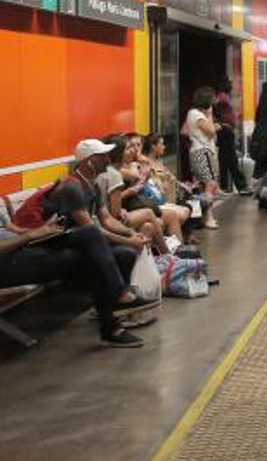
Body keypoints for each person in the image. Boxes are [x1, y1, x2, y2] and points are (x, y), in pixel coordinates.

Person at [1, 183, 158, 347]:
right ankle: (113, 320)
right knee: (93, 256)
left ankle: (119, 297)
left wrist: (41, 230)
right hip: (8, 262)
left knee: (96, 237)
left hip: (25, 248)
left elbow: (9, 229)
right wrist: (29, 235)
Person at [184, 87, 224, 227]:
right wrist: (210, 115)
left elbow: (184, 130)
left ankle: (197, 218)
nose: (215, 101)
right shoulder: (197, 114)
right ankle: (208, 217)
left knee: (200, 186)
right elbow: (211, 131)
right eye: (213, 98)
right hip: (203, 152)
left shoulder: (192, 113)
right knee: (210, 184)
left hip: (198, 151)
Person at [214, 79, 250, 195]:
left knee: (225, 160)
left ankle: (225, 186)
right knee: (231, 160)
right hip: (225, 133)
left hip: (226, 132)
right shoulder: (221, 100)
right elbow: (227, 117)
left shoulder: (222, 100)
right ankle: (240, 185)